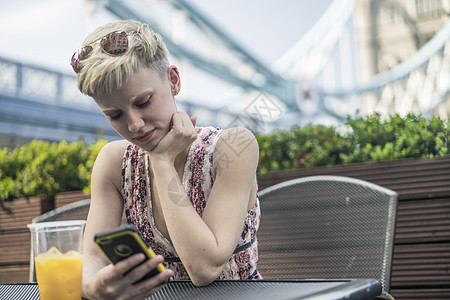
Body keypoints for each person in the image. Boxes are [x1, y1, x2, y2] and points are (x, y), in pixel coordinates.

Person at [71, 19, 262, 299]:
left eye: (143, 102)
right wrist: (94, 287)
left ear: (173, 80)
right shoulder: (113, 163)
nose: (134, 125)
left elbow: (204, 268)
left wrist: (161, 163)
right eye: (115, 115)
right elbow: (91, 261)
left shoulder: (234, 147)